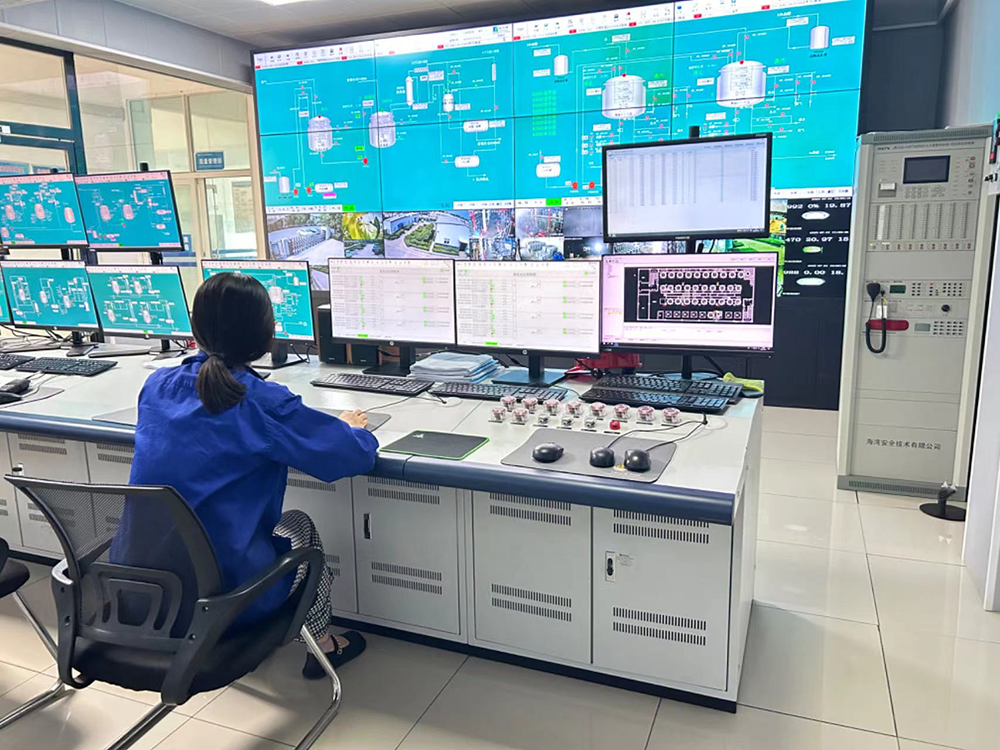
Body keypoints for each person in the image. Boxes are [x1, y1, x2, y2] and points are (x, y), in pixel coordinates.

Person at [118, 272, 377, 678]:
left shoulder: (157, 385)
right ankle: (322, 645)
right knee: (301, 527)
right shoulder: (260, 401)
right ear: (266, 334)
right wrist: (350, 429)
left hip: (142, 596)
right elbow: (349, 457)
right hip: (224, 601)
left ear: (196, 329)